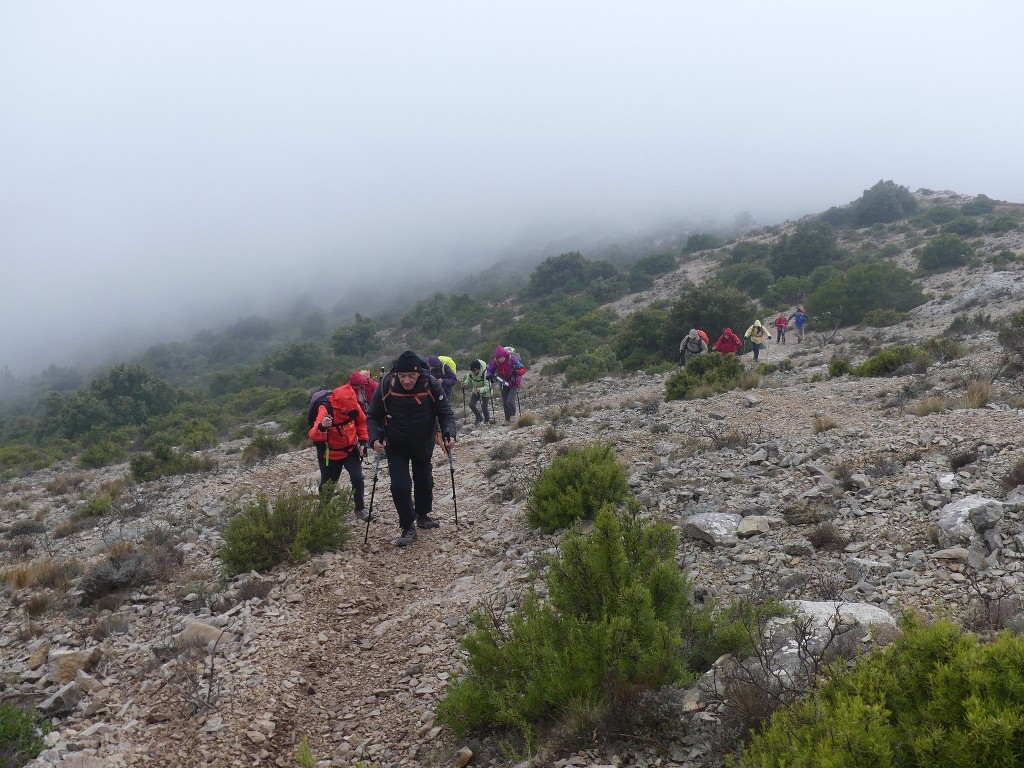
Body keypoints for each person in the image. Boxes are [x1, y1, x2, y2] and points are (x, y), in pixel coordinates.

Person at [366, 351, 457, 548]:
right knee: (400, 486)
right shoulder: (385, 385)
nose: (407, 381)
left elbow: (445, 412)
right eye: (402, 376)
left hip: (423, 442)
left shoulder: (430, 383)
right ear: (396, 374)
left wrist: (449, 432)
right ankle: (408, 525)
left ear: (419, 374)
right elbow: (372, 415)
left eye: (411, 376)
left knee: (424, 480)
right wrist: (373, 438)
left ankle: (423, 515)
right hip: (395, 444)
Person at [308, 382, 370, 521]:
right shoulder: (326, 409)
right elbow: (313, 434)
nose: (348, 412)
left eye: (350, 409)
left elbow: (361, 423)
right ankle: (322, 512)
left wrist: (363, 442)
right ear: (337, 404)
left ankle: (360, 509)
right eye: (344, 410)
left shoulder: (354, 407)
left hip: (350, 450)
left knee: (358, 478)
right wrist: (322, 427)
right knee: (328, 484)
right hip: (330, 454)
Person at [486, 345, 527, 423]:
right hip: (503, 382)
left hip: (514, 382)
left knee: (510, 401)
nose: (500, 360)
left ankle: (513, 415)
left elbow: (523, 369)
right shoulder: (496, 361)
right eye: (499, 358)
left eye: (502, 358)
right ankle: (507, 419)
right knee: (505, 402)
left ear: (505, 356)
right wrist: (488, 375)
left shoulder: (512, 359)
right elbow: (490, 369)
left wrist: (517, 372)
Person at [463, 359, 492, 425]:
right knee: (471, 405)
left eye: (475, 370)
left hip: (486, 392)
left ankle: (487, 421)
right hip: (476, 391)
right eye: (472, 370)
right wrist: (465, 383)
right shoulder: (471, 373)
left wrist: (481, 390)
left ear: (479, 369)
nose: (474, 372)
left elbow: (488, 386)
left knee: (484, 407)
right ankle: (479, 417)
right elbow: (468, 379)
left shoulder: (485, 373)